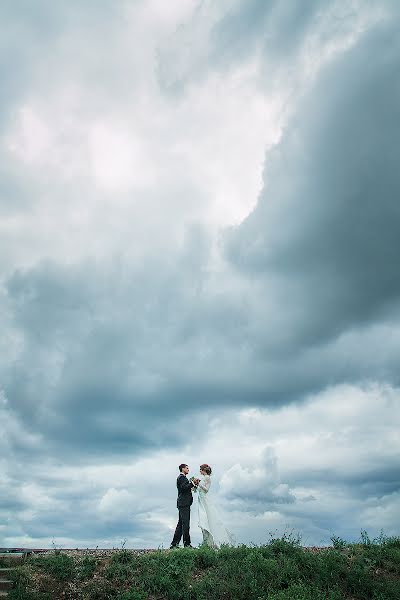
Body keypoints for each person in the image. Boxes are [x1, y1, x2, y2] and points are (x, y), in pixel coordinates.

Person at [197, 463, 235, 548]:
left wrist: (199, 484)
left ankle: (212, 542)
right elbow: (199, 490)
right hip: (201, 500)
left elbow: (206, 490)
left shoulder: (207, 478)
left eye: (200, 469)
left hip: (204, 500)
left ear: (203, 470)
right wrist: (195, 487)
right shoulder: (204, 478)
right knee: (204, 520)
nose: (199, 471)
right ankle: (207, 542)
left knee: (208, 519)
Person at [170, 463, 198, 549]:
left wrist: (192, 485)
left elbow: (185, 488)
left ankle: (174, 544)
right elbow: (184, 488)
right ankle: (187, 544)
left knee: (181, 524)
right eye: (187, 468)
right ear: (182, 469)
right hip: (184, 503)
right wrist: (193, 483)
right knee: (185, 524)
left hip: (183, 503)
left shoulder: (183, 478)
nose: (188, 469)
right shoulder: (181, 478)